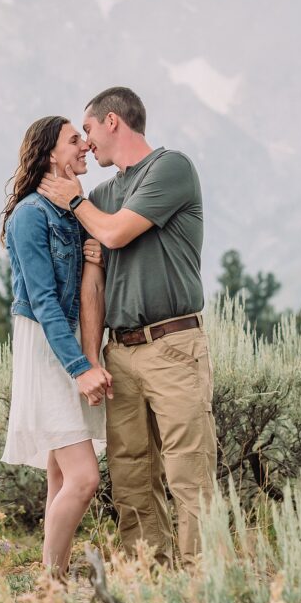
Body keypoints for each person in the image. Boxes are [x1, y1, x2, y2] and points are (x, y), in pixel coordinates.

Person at [38, 87, 216, 568]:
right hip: (121, 351)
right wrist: (92, 358)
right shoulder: (101, 195)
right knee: (131, 472)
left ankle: (204, 583)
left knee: (188, 471)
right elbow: (92, 286)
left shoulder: (170, 168)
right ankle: (149, 574)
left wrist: (77, 205)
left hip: (173, 344)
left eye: (88, 130)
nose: (87, 143)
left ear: (112, 121)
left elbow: (114, 233)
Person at [0, 115, 113, 576]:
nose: (85, 145)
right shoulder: (30, 214)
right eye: (74, 140)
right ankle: (51, 580)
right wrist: (79, 366)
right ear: (50, 153)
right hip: (50, 348)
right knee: (85, 478)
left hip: (71, 343)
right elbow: (44, 300)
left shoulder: (73, 208)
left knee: (62, 473)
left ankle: (56, 583)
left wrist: (94, 256)